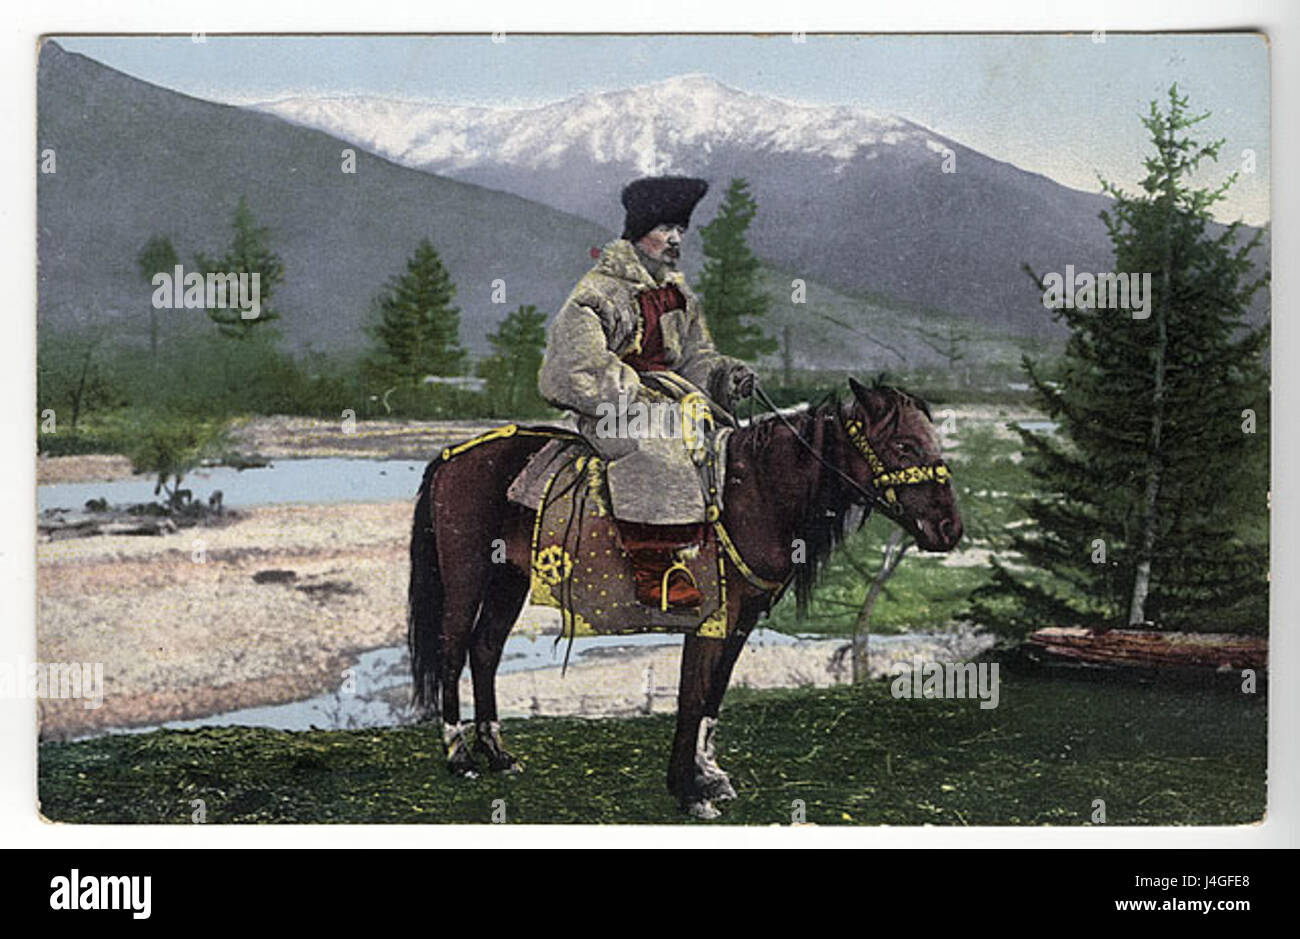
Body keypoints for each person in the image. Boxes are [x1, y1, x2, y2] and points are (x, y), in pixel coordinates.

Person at [538, 175, 757, 611]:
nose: (675, 239)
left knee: (729, 448)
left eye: (680, 230)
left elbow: (695, 356)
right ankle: (653, 570)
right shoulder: (597, 293)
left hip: (672, 403)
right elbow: (575, 367)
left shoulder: (677, 293)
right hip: (609, 409)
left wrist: (723, 376)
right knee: (658, 448)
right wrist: (638, 394)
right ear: (639, 233)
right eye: (665, 228)